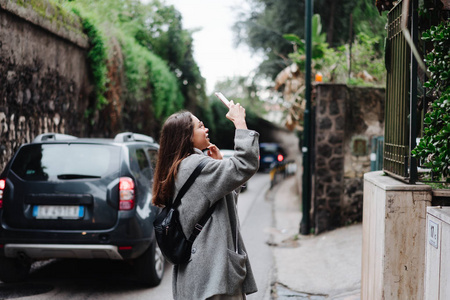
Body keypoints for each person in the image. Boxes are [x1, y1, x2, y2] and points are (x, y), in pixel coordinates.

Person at [152, 101, 259, 300]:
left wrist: (218, 165)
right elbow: (245, 164)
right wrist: (240, 122)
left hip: (198, 273)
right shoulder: (196, 166)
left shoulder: (180, 166)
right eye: (200, 126)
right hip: (213, 276)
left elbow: (224, 207)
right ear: (187, 135)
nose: (206, 128)